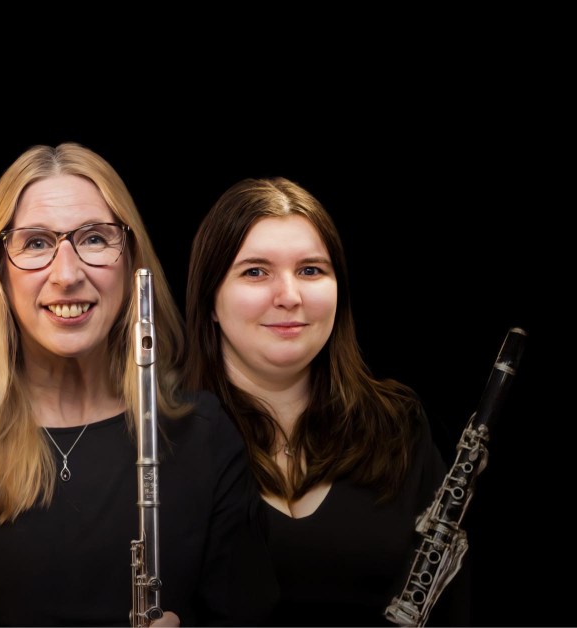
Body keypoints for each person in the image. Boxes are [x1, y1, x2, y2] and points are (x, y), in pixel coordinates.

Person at [0, 142, 274, 626]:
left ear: (131, 262)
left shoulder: (205, 435)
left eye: (94, 239)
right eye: (36, 243)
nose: (67, 274)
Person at [182, 176, 470, 626]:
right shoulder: (161, 440)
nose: (289, 297)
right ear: (210, 299)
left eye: (311, 270)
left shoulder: (399, 428)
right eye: (255, 271)